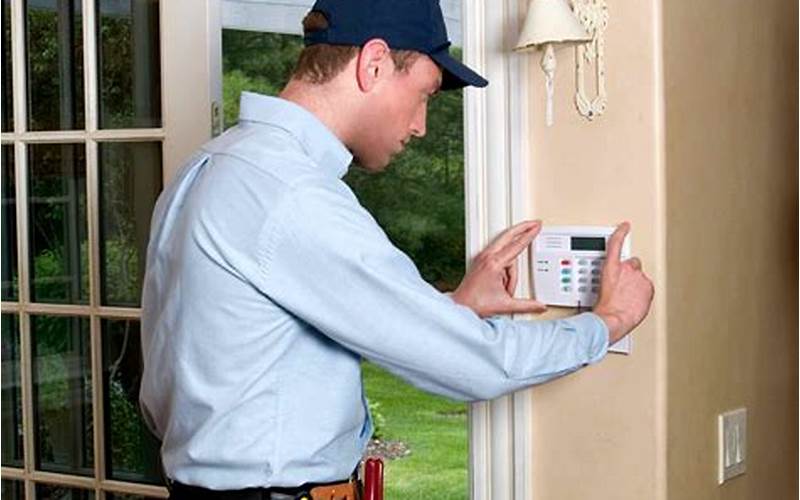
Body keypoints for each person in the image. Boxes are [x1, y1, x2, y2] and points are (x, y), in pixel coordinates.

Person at [139, 0, 654, 499]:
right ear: (375, 63)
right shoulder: (291, 194)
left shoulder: (209, 168)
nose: (420, 125)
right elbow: (479, 364)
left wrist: (453, 308)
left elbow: (241, 353)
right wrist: (608, 321)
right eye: (424, 93)